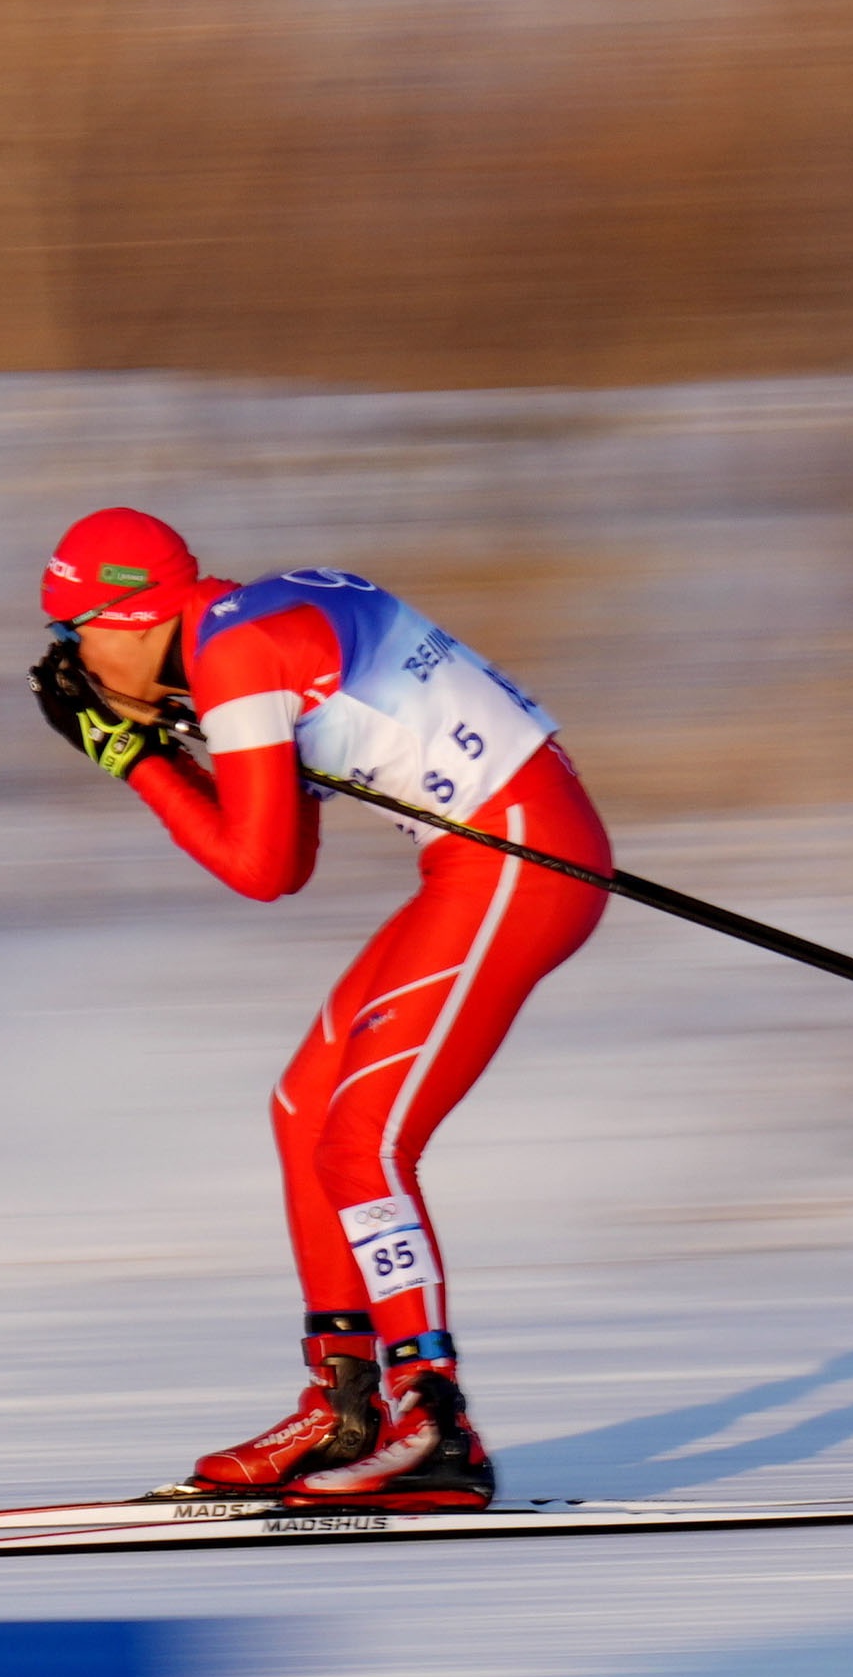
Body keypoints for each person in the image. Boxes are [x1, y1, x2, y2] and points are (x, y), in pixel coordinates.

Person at [30, 505, 612, 1503]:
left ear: (126, 617)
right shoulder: (239, 629)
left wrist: (137, 762)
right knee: (306, 1109)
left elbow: (257, 869)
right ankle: (342, 1408)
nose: (74, 662)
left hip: (520, 858)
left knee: (361, 1141)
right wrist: (168, 734)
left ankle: (432, 1419)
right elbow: (290, 859)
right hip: (481, 857)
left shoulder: (235, 654)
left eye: (72, 634)